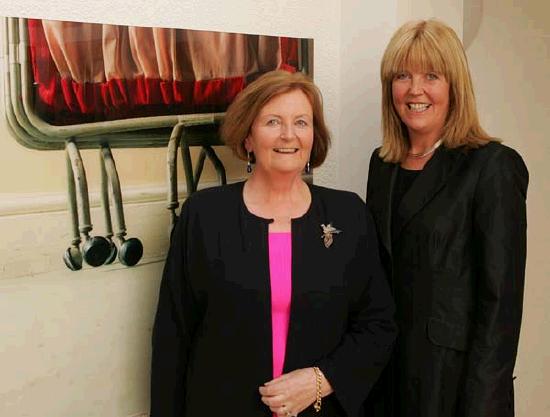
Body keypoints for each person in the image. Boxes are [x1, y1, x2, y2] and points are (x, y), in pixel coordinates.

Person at [150, 70, 397, 417]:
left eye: (301, 122)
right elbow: (172, 338)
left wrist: (322, 379)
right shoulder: (204, 216)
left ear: (314, 136)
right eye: (272, 122)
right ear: (248, 137)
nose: (288, 135)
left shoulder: (349, 214)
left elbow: (379, 324)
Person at [365, 19, 528, 417]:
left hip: (455, 388)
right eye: (402, 75)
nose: (414, 90)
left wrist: (482, 404)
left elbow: (500, 307)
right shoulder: (382, 164)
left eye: (431, 76)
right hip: (386, 381)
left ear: (455, 87)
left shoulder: (492, 167)